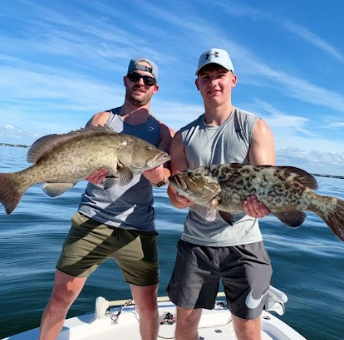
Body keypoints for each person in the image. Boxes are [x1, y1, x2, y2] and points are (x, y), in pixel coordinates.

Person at [39, 57, 174, 340]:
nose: (140, 83)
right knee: (62, 295)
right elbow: (76, 157)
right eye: (134, 77)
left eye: (147, 80)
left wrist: (153, 170)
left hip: (138, 228)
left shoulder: (163, 132)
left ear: (155, 88)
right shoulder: (102, 120)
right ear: (125, 80)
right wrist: (85, 170)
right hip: (92, 218)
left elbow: (163, 178)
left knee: (148, 306)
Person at [166, 48, 275, 340]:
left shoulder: (254, 127)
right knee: (185, 322)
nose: (213, 82)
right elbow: (175, 192)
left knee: (248, 328)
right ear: (197, 84)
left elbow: (268, 185)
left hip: (245, 244)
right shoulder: (183, 137)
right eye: (206, 77)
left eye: (220, 76)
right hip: (195, 245)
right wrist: (180, 198)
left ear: (233, 80)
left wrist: (263, 206)